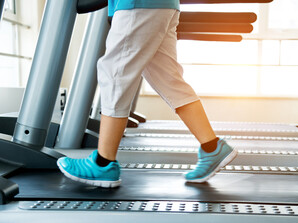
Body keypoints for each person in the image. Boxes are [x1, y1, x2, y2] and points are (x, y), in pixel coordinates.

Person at [57, 0, 237, 188]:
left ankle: (103, 163)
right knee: (168, 80)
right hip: (163, 5)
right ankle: (212, 146)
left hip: (138, 4)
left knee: (114, 75)